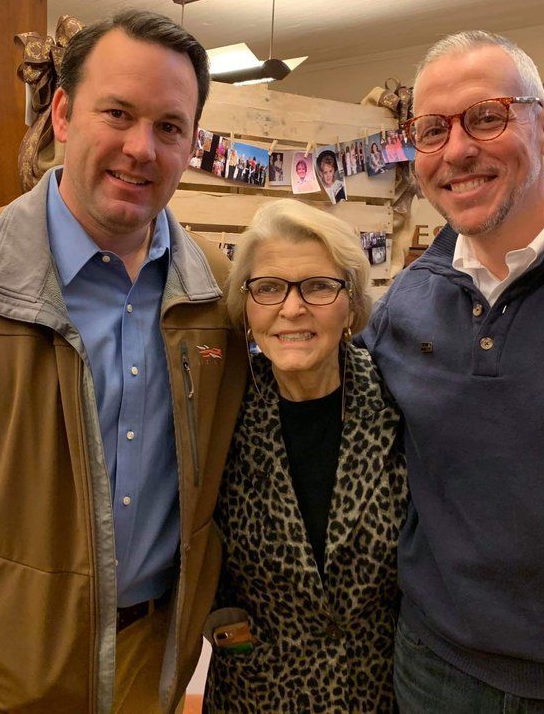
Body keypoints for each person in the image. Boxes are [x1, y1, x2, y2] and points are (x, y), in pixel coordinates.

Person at [0, 9, 246, 713]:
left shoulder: (222, 295)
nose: (142, 148)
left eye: (169, 127)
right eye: (118, 113)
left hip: (151, 676)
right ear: (64, 115)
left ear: (191, 142)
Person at [357, 29, 544, 711]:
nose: (456, 151)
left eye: (486, 116)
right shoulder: (408, 303)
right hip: (434, 668)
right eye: (431, 129)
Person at [204, 199, 408, 712]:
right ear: (247, 308)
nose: (292, 309)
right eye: (269, 288)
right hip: (256, 693)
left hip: (377, 691)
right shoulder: (220, 416)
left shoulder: (401, 408)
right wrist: (227, 632)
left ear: (351, 307)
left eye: (318, 286)